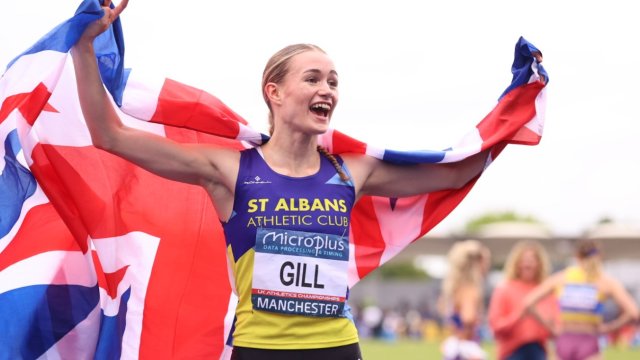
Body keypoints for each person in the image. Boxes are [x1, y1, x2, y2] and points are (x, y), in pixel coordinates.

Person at [71, 1, 542, 358]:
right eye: (313, 79)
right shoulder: (230, 170)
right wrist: (83, 46)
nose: (327, 90)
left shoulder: (352, 171)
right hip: (260, 349)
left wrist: (516, 106)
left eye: (333, 82)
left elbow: (456, 169)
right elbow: (108, 135)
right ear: (273, 93)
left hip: (337, 346)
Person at [524, 239, 639, 360]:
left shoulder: (561, 278)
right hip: (589, 339)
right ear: (599, 256)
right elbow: (633, 313)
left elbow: (528, 303)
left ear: (577, 256)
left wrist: (550, 327)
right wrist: (610, 328)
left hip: (565, 339)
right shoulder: (604, 281)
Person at [488, 240, 557, 360]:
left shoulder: (545, 291)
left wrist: (537, 316)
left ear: (539, 264)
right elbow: (496, 328)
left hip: (538, 351)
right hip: (511, 352)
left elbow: (555, 330)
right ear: (516, 263)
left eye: (532, 260)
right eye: (524, 260)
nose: (527, 264)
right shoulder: (504, 289)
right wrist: (520, 314)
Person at [439, 240, 491, 360]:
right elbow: (468, 317)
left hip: (456, 348)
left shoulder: (455, 288)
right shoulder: (470, 289)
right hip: (466, 350)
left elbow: (444, 311)